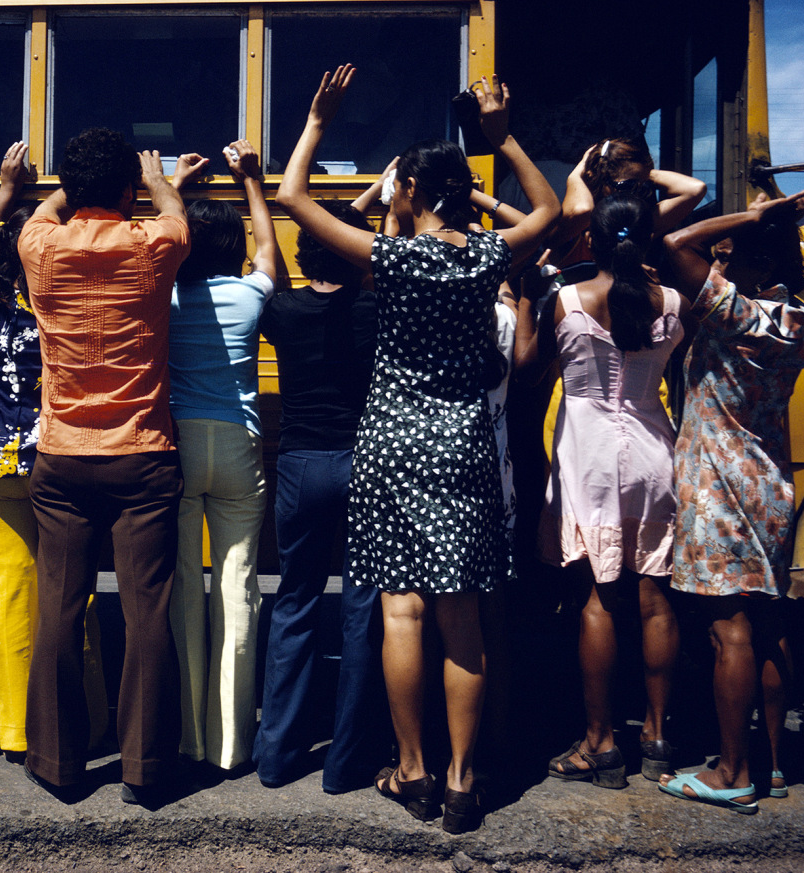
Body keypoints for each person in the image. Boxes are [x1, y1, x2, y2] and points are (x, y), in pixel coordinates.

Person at [276, 67, 559, 833]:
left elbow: (294, 200)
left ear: (413, 194)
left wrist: (316, 122)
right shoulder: (486, 256)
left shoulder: (390, 258)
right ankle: (466, 781)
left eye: (398, 182)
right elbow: (552, 208)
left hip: (395, 442)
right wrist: (502, 139)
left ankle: (413, 770)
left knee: (402, 610)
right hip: (464, 438)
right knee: (460, 616)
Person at [17, 127, 189, 806]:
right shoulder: (154, 244)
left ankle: (58, 764)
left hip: (62, 455)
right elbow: (174, 214)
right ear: (127, 191)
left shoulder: (40, 247)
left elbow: (43, 212)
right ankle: (143, 767)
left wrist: (81, 184)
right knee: (147, 611)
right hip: (142, 452)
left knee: (58, 605)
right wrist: (152, 178)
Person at [517, 195, 688, 788]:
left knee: (598, 597)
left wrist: (522, 297)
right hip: (653, 451)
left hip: (588, 456)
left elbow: (525, 365)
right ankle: (659, 737)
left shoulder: (566, 300)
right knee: (654, 597)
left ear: (590, 238)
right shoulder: (672, 303)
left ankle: (601, 744)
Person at [657, 189, 804, 813]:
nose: (717, 268)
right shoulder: (794, 320)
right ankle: (773, 765)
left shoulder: (737, 314)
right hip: (769, 487)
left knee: (730, 632)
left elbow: (674, 244)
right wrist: (758, 226)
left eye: (731, 259)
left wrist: (749, 217)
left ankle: (731, 771)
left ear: (762, 268)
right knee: (770, 625)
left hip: (719, 488)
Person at [0, 142, 109, 766]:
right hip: (56, 455)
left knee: (10, 587)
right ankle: (86, 721)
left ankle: (12, 729)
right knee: (68, 591)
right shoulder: (64, 291)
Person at [251, 198, 384, 794]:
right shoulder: (376, 309)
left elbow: (271, 265)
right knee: (362, 610)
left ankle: (277, 757)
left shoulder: (282, 310)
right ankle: (345, 762)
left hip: (300, 465)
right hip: (363, 462)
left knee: (295, 603)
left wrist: (257, 187)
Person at [167, 140, 282, 774]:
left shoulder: (163, 296)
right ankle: (231, 743)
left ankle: (188, 735)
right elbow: (267, 253)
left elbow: (152, 242)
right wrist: (252, 185)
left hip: (177, 444)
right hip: (238, 444)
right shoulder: (247, 296)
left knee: (185, 587)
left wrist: (174, 190)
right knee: (237, 589)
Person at [552, 137, 706, 282]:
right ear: (597, 178)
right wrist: (577, 175)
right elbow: (582, 210)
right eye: (628, 187)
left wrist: (643, 173)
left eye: (642, 188)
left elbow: (695, 190)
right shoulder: (579, 222)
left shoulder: (635, 222)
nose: (636, 195)